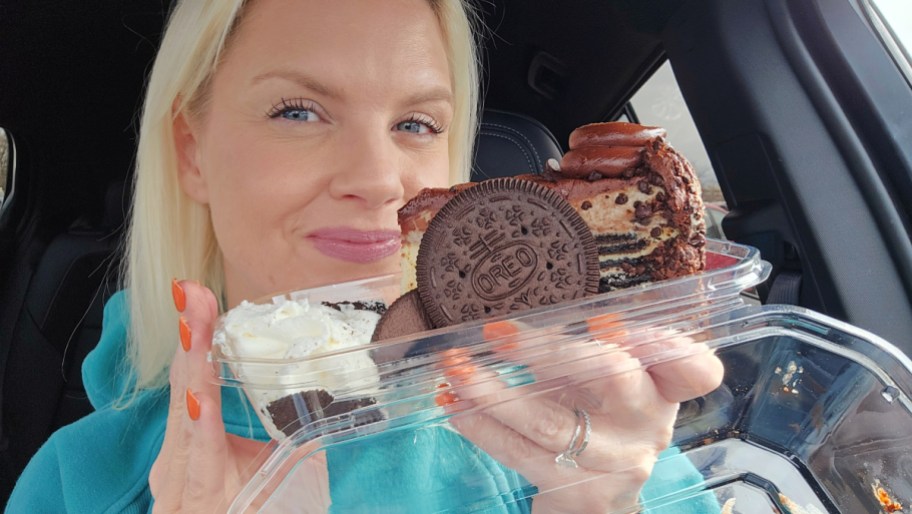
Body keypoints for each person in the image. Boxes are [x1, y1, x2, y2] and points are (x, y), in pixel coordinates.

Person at [7, 0, 725, 512]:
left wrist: (599, 506)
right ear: (193, 153)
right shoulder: (74, 486)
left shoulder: (583, 428)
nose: (380, 179)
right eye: (298, 111)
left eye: (416, 123)